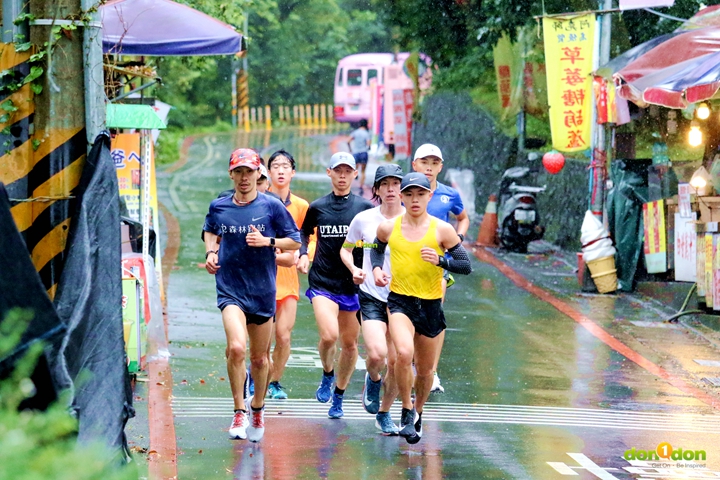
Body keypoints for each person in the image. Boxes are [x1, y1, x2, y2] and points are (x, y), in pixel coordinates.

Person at [203, 148, 301, 442]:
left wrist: (268, 241)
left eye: (250, 172)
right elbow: (210, 229)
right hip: (230, 287)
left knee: (259, 359)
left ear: (259, 173)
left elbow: (294, 242)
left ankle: (257, 407)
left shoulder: (271, 206)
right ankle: (238, 410)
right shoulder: (219, 206)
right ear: (231, 174)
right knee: (236, 348)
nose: (244, 178)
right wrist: (210, 251)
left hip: (261, 290)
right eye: (239, 172)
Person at [371, 172, 472, 444]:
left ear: (429, 196)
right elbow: (376, 249)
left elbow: (465, 265)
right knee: (403, 354)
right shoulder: (388, 227)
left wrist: (441, 261)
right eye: (409, 194)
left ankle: (417, 412)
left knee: (426, 372)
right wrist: (378, 269)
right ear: (402, 197)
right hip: (400, 301)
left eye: (420, 194)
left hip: (430, 305)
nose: (415, 199)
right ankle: (405, 410)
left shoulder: (442, 229)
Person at [297, 152, 373, 419]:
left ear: (355, 174)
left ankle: (339, 395)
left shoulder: (365, 208)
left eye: (347, 171)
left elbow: (376, 240)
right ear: (329, 173)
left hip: (352, 284)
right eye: (337, 171)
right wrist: (303, 254)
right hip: (322, 281)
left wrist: (370, 264)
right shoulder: (317, 207)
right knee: (329, 336)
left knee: (350, 344)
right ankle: (328, 374)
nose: (342, 176)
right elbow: (303, 232)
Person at [341, 164, 404, 435]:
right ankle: (373, 378)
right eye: (385, 184)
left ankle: (385, 412)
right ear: (376, 189)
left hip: (404, 298)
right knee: (377, 354)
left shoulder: (414, 220)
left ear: (403, 189)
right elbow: (345, 250)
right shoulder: (364, 219)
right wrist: (355, 269)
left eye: (395, 184)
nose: (391, 189)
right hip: (370, 295)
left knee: (399, 360)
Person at [411, 143, 469, 394]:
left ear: (441, 167)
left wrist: (458, 239)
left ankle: (430, 371)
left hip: (437, 264)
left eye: (435, 163)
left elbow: (463, 217)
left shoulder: (449, 194)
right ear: (415, 164)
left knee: (435, 314)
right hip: (405, 262)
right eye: (425, 162)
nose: (429, 168)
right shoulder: (408, 190)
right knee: (407, 314)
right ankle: (411, 364)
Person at [265, 149, 315, 399]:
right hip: (262, 278)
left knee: (283, 336)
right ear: (268, 171)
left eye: (286, 166)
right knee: (262, 339)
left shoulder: (301, 206)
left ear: (293, 172)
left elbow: (310, 236)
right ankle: (256, 379)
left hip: (288, 281)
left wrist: (305, 255)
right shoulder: (260, 202)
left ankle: (274, 382)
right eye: (276, 166)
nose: (281, 170)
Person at [348, 119, 371, 192]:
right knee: (363, 171)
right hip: (364, 153)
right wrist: (368, 148)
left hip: (356, 153)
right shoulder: (366, 133)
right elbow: (368, 144)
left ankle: (355, 176)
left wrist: (350, 149)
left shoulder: (355, 132)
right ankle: (361, 186)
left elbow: (348, 141)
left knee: (354, 169)